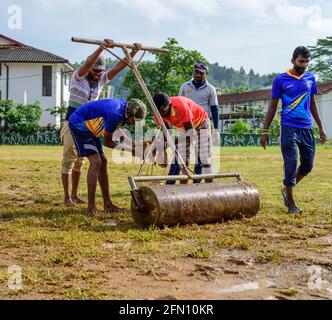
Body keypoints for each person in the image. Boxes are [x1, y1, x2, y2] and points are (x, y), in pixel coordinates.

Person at [61, 39, 142, 206]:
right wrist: (101, 48)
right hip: (73, 122)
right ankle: (67, 197)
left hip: (91, 125)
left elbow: (118, 68)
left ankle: (76, 195)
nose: (98, 73)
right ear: (90, 68)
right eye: (95, 70)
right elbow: (87, 63)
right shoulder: (78, 77)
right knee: (70, 158)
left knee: (82, 161)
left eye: (100, 71)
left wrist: (132, 52)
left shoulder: (101, 80)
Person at [260, 46, 327, 214]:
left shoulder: (311, 78)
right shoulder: (280, 80)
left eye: (306, 62)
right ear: (293, 60)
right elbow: (273, 106)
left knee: (308, 165)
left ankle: (285, 189)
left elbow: (312, 104)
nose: (304, 65)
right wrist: (265, 130)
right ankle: (291, 202)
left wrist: (320, 126)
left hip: (306, 128)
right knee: (291, 162)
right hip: (289, 126)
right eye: (301, 61)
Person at [68, 98, 148, 215]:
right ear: (129, 114)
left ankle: (108, 204)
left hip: (92, 126)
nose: (133, 123)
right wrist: (131, 149)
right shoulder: (115, 113)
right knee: (96, 162)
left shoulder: (124, 109)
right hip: (79, 124)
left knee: (103, 161)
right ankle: (91, 207)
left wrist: (134, 144)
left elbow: (116, 130)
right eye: (134, 121)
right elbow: (107, 142)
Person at [168, 61, 219, 183]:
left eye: (201, 73)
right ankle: (171, 182)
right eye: (196, 72)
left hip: (202, 123)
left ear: (206, 73)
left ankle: (197, 184)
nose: (198, 75)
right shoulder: (185, 86)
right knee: (181, 155)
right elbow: (177, 104)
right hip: (185, 124)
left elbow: (214, 109)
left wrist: (216, 129)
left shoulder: (211, 89)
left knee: (202, 157)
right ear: (193, 72)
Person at [152, 93, 213, 184]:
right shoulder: (157, 113)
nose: (162, 115)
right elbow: (168, 132)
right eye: (159, 113)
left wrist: (175, 142)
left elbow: (190, 134)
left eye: (163, 112)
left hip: (201, 123)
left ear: (169, 105)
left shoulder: (181, 106)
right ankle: (183, 192)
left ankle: (210, 189)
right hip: (184, 128)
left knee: (205, 160)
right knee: (183, 162)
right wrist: (162, 151)